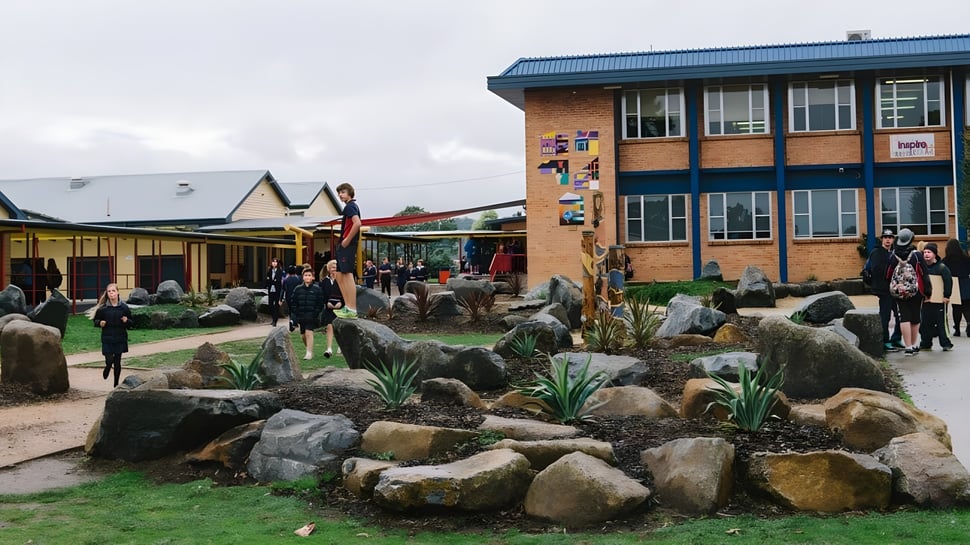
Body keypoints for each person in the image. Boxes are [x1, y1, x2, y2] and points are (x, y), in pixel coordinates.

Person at [888, 228, 931, 356]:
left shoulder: (893, 255)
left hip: (899, 292)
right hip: (916, 291)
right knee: (915, 317)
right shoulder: (917, 255)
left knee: (904, 317)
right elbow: (924, 273)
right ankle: (913, 344)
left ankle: (908, 346)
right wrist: (928, 292)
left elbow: (888, 273)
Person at [866, 229, 904, 351]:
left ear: (893, 239)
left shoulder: (893, 253)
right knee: (885, 315)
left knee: (900, 315)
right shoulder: (877, 252)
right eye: (885, 237)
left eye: (890, 237)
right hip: (884, 289)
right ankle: (885, 341)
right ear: (882, 239)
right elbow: (876, 270)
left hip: (894, 289)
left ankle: (896, 338)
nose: (888, 239)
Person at [91, 283, 133, 387]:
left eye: (113, 291)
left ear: (117, 292)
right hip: (107, 338)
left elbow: (132, 322)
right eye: (109, 291)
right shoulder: (103, 308)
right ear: (107, 293)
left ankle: (116, 384)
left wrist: (126, 320)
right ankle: (107, 367)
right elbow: (96, 321)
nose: (111, 293)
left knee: (117, 362)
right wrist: (100, 323)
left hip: (120, 337)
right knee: (109, 360)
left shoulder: (124, 308)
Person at [333, 182, 361, 320]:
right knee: (338, 275)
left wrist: (347, 240)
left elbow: (357, 223)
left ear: (349, 192)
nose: (340, 195)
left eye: (343, 192)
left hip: (347, 245)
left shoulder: (350, 206)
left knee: (347, 274)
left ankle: (352, 308)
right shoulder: (348, 207)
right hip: (342, 245)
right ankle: (347, 306)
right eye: (339, 192)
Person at [918, 242, 953, 352]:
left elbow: (948, 282)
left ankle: (946, 343)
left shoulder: (942, 268)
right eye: (925, 252)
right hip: (926, 301)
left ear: (934, 254)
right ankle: (926, 343)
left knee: (941, 323)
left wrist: (946, 296)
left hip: (939, 301)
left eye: (929, 252)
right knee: (925, 323)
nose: (926, 254)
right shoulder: (921, 268)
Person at [290, 267, 326, 359]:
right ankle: (308, 349)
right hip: (301, 315)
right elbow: (293, 302)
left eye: (309, 275)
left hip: (312, 315)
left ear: (313, 277)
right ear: (303, 277)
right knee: (303, 335)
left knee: (309, 332)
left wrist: (316, 312)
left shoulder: (317, 289)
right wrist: (296, 313)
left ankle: (309, 353)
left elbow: (320, 302)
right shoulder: (297, 289)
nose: (307, 277)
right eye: (305, 275)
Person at [942, 238, 970, 337]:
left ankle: (957, 329)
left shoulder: (946, 260)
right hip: (965, 282)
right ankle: (969, 324)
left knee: (956, 307)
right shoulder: (965, 258)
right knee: (967, 306)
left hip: (953, 283)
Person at [318, 260, 344, 358]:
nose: (335, 269)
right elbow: (322, 295)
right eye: (333, 267)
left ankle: (341, 347)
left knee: (340, 327)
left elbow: (346, 294)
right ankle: (329, 348)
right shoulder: (324, 281)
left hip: (341, 308)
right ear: (329, 269)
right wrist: (327, 303)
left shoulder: (342, 280)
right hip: (329, 308)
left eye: (336, 268)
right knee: (329, 326)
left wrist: (341, 303)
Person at [264, 257, 284, 327]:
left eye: (276, 262)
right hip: (271, 289)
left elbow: (278, 280)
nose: (274, 263)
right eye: (273, 262)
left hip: (277, 290)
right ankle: (273, 319)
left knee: (276, 306)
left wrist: (273, 281)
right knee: (270, 305)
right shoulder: (269, 270)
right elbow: (268, 279)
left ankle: (275, 321)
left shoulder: (279, 271)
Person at [282, 264, 302, 331]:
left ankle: (291, 322)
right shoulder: (298, 280)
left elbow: (284, 289)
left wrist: (281, 298)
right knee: (296, 310)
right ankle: (294, 322)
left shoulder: (286, 280)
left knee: (291, 311)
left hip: (288, 297)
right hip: (296, 296)